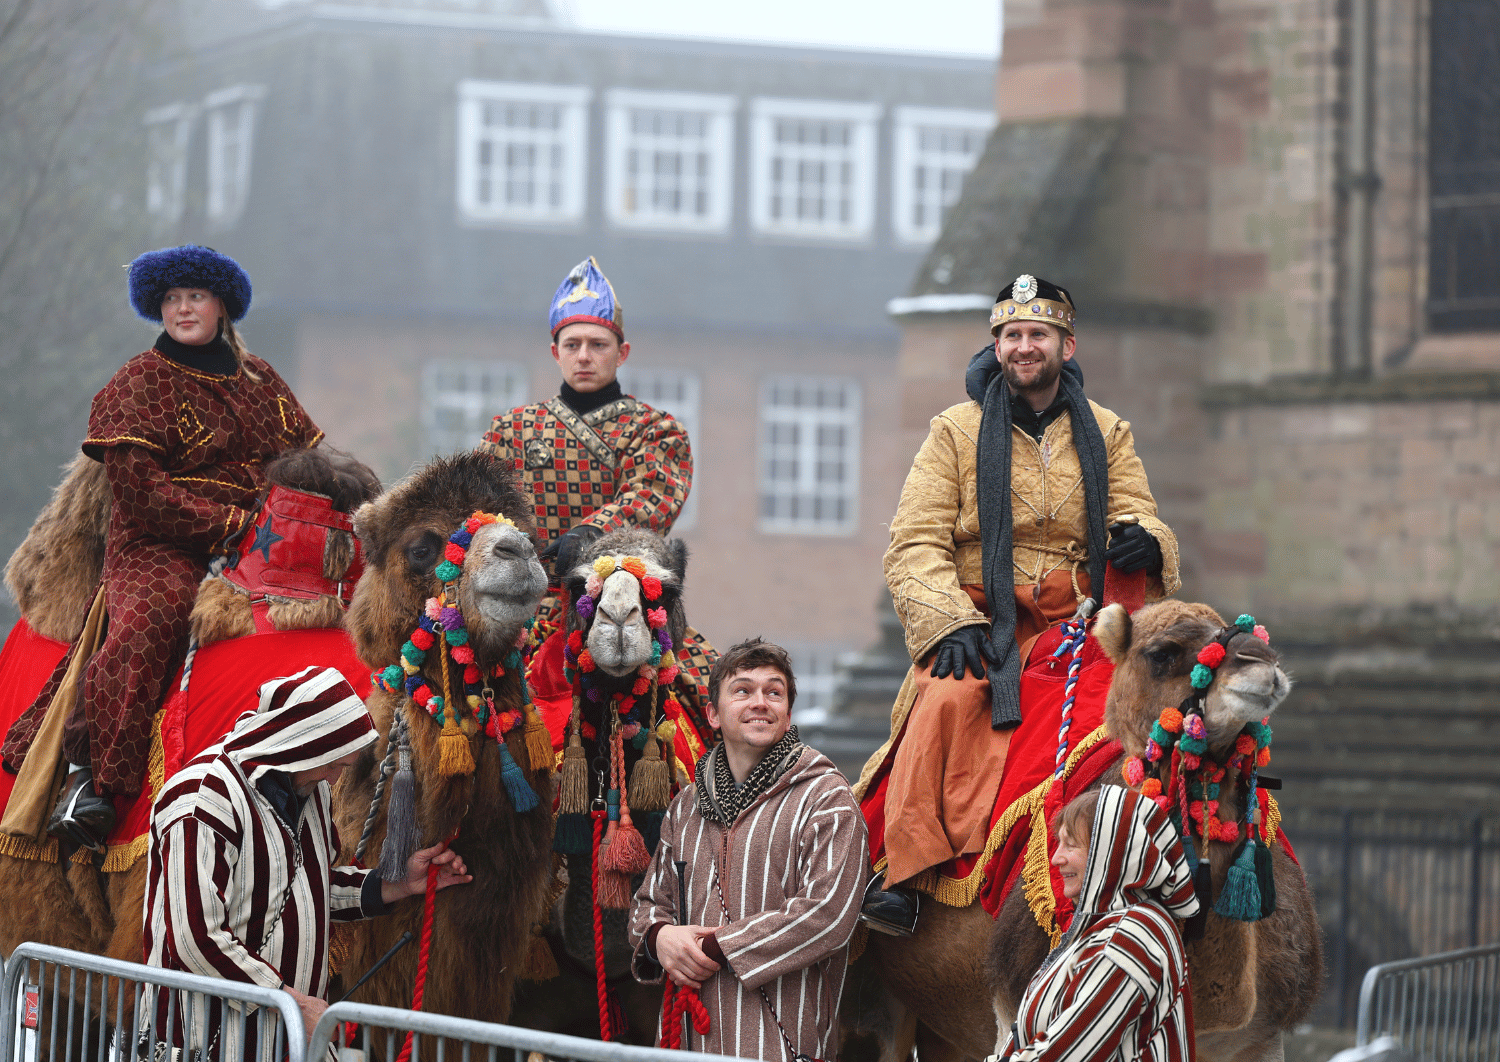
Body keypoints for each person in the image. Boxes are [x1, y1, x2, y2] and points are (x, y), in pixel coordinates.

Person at [859, 275, 1180, 936]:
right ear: (997, 345)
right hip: (981, 618)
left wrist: (1145, 543)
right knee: (947, 699)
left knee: (1142, 701)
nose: (1024, 347)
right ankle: (904, 875)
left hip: (1079, 619)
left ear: (1066, 344)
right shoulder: (953, 431)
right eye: (1012, 336)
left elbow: (1140, 513)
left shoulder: (1109, 432)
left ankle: (1158, 850)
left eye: (1038, 334)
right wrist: (950, 623)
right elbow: (913, 541)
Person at [2, 244, 322, 850]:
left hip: (267, 536)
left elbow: (306, 464)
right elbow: (141, 492)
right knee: (149, 618)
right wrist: (231, 525)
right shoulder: (138, 382)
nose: (182, 309)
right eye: (171, 299)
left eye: (194, 296)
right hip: (158, 543)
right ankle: (93, 779)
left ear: (221, 305)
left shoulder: (264, 383)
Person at [143, 665, 471, 1054]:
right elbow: (194, 939)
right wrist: (292, 1003)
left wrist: (399, 884)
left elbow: (313, 884)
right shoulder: (201, 802)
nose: (334, 779)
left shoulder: (310, 791)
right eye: (332, 764)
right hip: (208, 1040)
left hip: (286, 1037)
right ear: (297, 745)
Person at [476, 255, 714, 742]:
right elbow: (483, 513)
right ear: (555, 351)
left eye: (597, 345)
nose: (584, 355)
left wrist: (589, 538)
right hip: (526, 610)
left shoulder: (657, 430)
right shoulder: (509, 432)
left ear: (621, 352)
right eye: (573, 344)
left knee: (712, 707)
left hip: (624, 602)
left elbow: (653, 492)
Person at [629, 638, 868, 1061]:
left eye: (773, 692)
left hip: (782, 1044)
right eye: (743, 690)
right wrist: (659, 937)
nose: (760, 702)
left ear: (788, 712)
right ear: (713, 715)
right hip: (685, 1044)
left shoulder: (827, 798)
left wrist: (719, 947)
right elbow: (650, 901)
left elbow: (829, 913)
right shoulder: (686, 805)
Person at [992, 786, 1199, 1062]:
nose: (1056, 858)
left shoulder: (1133, 938)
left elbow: (1067, 1054)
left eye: (1072, 845)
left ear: (1113, 852)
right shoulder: (1109, 925)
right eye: (1059, 843)